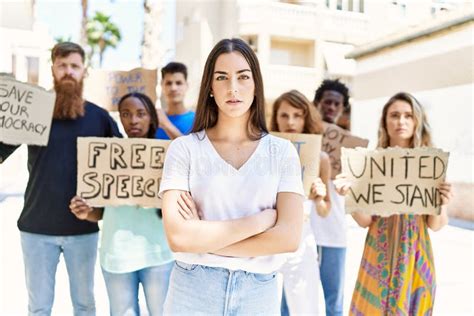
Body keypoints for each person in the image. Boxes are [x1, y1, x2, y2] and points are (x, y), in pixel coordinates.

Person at [159, 38, 305, 315]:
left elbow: (289, 238)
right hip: (192, 290)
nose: (233, 88)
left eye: (243, 76)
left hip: (257, 293)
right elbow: (179, 237)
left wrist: (204, 239)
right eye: (222, 77)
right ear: (210, 88)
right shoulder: (184, 149)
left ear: (255, 84)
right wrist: (260, 221)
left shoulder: (282, 152)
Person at [0, 42, 121, 315]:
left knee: (85, 305)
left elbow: (122, 168)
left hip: (83, 231)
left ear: (84, 72)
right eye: (62, 65)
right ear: (52, 69)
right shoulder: (33, 111)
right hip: (36, 229)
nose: (68, 71)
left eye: (74, 66)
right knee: (39, 308)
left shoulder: (100, 118)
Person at [334, 92, 453, 315]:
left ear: (417, 121)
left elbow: (435, 225)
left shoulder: (429, 163)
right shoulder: (371, 162)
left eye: (408, 116)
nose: (401, 121)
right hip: (379, 251)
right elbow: (365, 221)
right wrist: (348, 194)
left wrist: (442, 202)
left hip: (415, 253)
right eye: (394, 115)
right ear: (385, 121)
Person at [69, 92, 173, 316]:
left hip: (159, 254)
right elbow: (100, 213)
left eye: (141, 114)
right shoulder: (108, 155)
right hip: (118, 254)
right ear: (120, 119)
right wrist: (85, 212)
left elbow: (197, 158)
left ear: (151, 118)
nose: (133, 120)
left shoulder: (169, 154)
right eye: (126, 114)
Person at [270, 89, 331, 315]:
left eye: (297, 115)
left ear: (306, 118)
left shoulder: (320, 159)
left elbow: (325, 211)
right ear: (275, 118)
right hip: (266, 238)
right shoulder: (262, 153)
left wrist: (320, 196)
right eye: (284, 115)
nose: (291, 122)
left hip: (301, 240)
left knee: (305, 309)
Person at [312, 78, 351, 316]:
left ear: (343, 108)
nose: (332, 108)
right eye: (327, 102)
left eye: (337, 104)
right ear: (317, 104)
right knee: (292, 299)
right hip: (304, 230)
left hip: (335, 231)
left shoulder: (350, 147)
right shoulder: (303, 138)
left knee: (333, 302)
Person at [155, 62, 195, 140]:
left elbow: (194, 151)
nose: (173, 88)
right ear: (162, 86)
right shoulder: (155, 119)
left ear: (186, 86)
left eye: (178, 83)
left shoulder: (198, 120)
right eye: (169, 83)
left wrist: (166, 125)